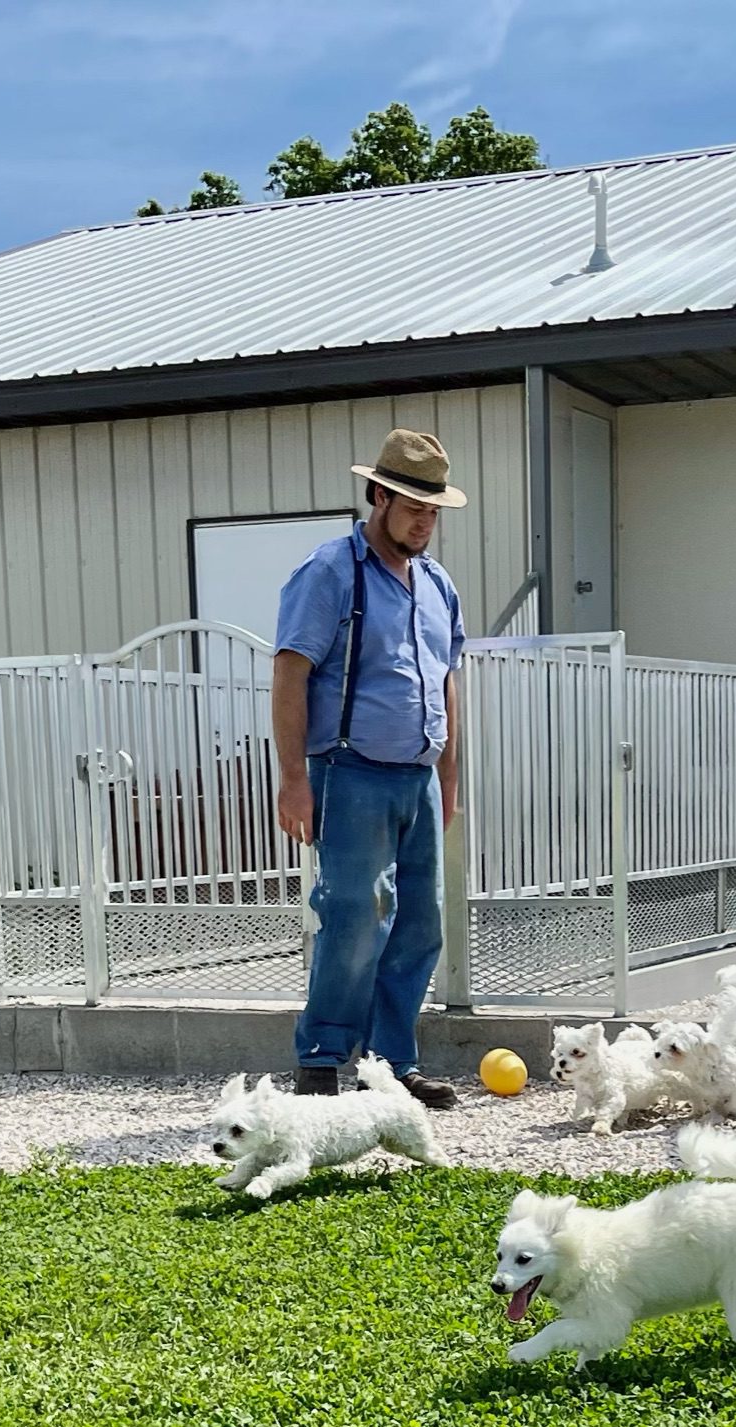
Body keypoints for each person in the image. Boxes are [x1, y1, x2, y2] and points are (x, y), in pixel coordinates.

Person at [272, 428, 467, 1107]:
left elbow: (444, 682)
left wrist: (448, 779)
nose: (424, 520)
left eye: (433, 509)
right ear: (378, 495)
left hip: (416, 779)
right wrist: (294, 780)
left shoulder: (438, 585)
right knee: (356, 916)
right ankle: (321, 1060)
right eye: (413, 504)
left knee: (419, 924)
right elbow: (290, 674)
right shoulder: (330, 572)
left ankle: (389, 1066)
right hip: (349, 773)